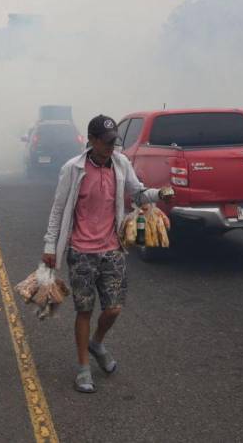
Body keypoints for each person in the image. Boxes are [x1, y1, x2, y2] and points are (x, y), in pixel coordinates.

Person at [41, 114, 173, 393]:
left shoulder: (121, 163)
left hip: (112, 248)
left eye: (114, 142)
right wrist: (50, 246)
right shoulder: (73, 169)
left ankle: (97, 343)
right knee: (84, 310)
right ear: (91, 141)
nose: (111, 147)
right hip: (81, 252)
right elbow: (57, 210)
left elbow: (137, 194)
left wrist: (159, 193)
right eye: (106, 142)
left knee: (113, 308)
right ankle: (83, 369)